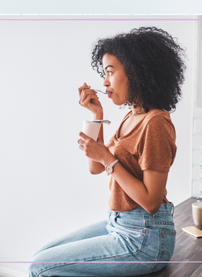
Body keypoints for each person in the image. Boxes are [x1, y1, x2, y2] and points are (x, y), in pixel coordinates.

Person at [28, 26, 186, 277]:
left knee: (40, 267)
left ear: (136, 72)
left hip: (145, 239)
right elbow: (96, 167)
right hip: (119, 224)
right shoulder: (129, 117)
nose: (104, 82)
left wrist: (106, 157)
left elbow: (151, 202)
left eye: (110, 72)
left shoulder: (155, 123)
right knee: (40, 256)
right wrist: (96, 115)